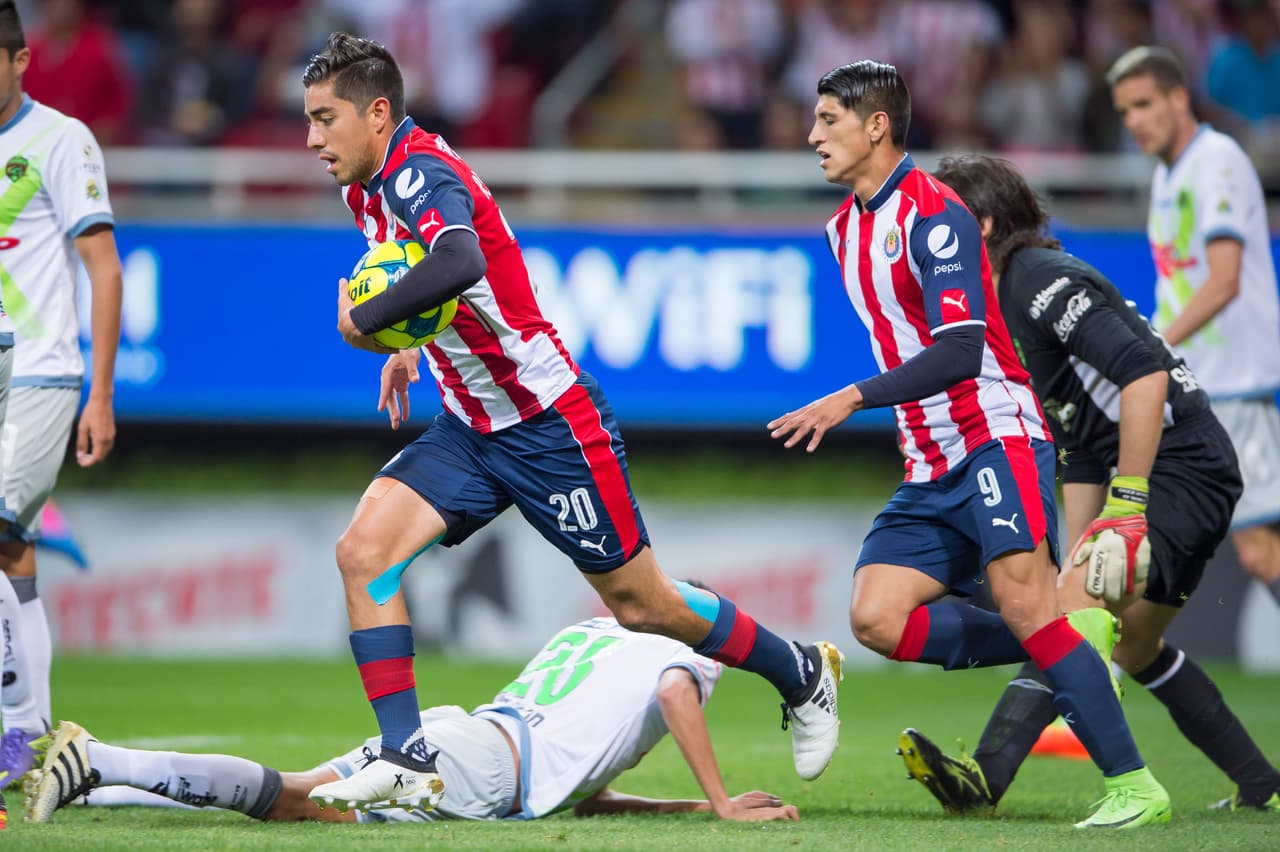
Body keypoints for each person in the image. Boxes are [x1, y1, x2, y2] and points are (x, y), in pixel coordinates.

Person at [299, 32, 842, 812]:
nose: (312, 138)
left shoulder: (419, 172)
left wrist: (367, 322)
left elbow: (459, 262)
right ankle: (406, 756)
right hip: (471, 427)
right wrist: (407, 344)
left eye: (325, 118)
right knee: (363, 553)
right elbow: (433, 283)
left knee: (643, 604)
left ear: (377, 114)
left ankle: (800, 670)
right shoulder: (367, 187)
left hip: (548, 423)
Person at [767, 59, 1169, 829]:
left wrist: (850, 396)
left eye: (828, 120)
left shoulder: (937, 215)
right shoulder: (842, 230)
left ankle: (1134, 787)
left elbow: (959, 351)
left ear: (876, 127)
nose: (812, 135)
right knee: (877, 617)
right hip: (930, 460)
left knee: (1026, 607)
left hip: (994, 434)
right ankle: (1063, 635)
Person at [897, 153, 1280, 817]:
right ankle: (1264, 787)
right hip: (1178, 467)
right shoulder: (998, 301)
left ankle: (987, 779)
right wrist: (1076, 549)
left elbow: (1145, 374)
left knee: (1067, 617)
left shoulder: (1038, 280)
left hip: (1180, 465)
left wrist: (1126, 506)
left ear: (980, 227)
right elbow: (1077, 444)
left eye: (936, 220)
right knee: (1132, 644)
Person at [24, 616, 800, 825]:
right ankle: (103, 761)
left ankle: (93, 785)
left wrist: (686, 808)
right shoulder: (687, 650)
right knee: (296, 800)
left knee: (301, 798)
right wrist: (724, 804)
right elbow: (676, 690)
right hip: (482, 767)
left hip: (464, 737)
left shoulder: (597, 633)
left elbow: (582, 792)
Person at [0, 0, 122, 797]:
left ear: (20, 60)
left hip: (40, 371)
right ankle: (31, 735)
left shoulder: (59, 138)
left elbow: (103, 268)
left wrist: (99, 395)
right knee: (12, 552)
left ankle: (17, 736)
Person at [1109, 46, 1280, 606]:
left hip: (1237, 382)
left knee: (1260, 548)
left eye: (1143, 104)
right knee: (1175, 544)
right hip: (1200, 386)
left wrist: (1152, 347)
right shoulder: (1169, 174)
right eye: (1125, 111)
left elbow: (1223, 279)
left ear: (1179, 98)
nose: (1134, 121)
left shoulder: (1217, 162)